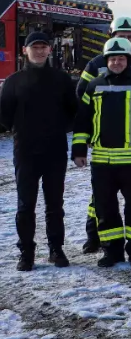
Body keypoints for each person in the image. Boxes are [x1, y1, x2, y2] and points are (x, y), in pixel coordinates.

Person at [71, 37, 131, 267]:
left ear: (128, 60)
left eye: (121, 58)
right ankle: (111, 251)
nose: (116, 62)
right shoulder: (94, 85)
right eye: (112, 58)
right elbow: (82, 121)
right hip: (102, 161)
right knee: (105, 208)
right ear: (106, 61)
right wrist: (78, 150)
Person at [0, 32, 78, 271]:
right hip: (25, 151)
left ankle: (56, 250)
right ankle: (26, 253)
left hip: (55, 151)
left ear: (49, 50)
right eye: (35, 47)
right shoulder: (13, 81)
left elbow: (72, 113)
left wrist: (56, 130)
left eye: (44, 47)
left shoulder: (62, 79)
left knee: (55, 204)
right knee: (26, 205)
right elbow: (4, 116)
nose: (40, 51)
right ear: (25, 50)